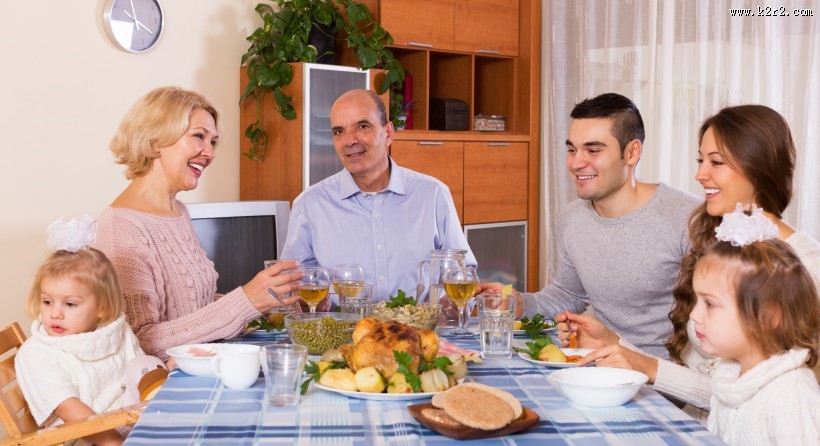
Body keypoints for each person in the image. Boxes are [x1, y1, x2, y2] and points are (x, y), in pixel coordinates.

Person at [559, 104, 820, 420]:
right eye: (700, 160)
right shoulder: (721, 244)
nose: (700, 174)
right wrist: (614, 342)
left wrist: (646, 366)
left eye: (716, 162)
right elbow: (702, 377)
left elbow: (753, 398)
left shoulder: (802, 264)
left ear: (758, 168)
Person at [479, 93, 701, 359]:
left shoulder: (688, 218)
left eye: (593, 150)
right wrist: (518, 304)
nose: (575, 163)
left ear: (632, 152)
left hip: (664, 382)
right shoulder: (573, 217)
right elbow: (567, 294)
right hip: (601, 364)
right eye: (572, 149)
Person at [95, 86, 302, 360]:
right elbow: (140, 341)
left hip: (200, 366)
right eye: (199, 137)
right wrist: (245, 301)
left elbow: (191, 307)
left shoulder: (177, 211)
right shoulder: (123, 226)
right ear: (156, 140)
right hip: (162, 387)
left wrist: (264, 302)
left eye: (213, 141)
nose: (210, 152)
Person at [280, 89, 476, 307]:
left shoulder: (433, 194)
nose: (349, 140)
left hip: (420, 335)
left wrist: (451, 304)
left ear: (389, 133)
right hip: (343, 337)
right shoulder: (309, 204)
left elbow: (464, 274)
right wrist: (305, 304)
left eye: (362, 127)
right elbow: (290, 288)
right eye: (339, 131)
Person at [15, 216, 166, 446]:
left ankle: (169, 414)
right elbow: (69, 410)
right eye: (47, 302)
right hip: (90, 438)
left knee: (143, 364)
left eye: (69, 304)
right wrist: (115, 443)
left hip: (132, 422)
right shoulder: (37, 354)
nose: (55, 313)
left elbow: (137, 380)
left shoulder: (116, 332)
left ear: (101, 308)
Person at [689, 214, 819, 445]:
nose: (694, 315)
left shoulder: (792, 395)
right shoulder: (729, 377)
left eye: (709, 303)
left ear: (767, 317)